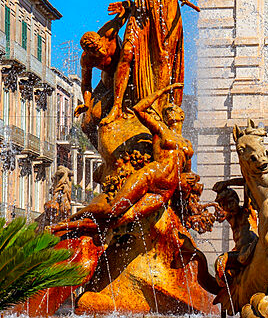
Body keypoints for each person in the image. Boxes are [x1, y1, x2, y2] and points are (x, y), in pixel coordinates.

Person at [74, 82, 193, 229]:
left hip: (167, 188)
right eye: (166, 110)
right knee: (113, 208)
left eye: (172, 109)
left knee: (126, 218)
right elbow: (138, 109)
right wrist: (162, 91)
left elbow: (186, 171)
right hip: (152, 175)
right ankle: (72, 220)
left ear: (182, 114)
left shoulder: (187, 144)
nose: (168, 112)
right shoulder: (161, 129)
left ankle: (89, 229)